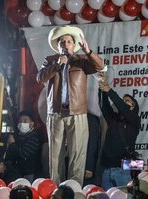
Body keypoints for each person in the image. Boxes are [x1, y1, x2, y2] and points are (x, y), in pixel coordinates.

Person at [37, 25, 105, 186]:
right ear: (58, 45)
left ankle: (73, 190)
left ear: (73, 45)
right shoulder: (51, 60)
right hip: (56, 113)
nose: (65, 44)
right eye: (62, 42)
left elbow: (100, 67)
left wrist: (88, 52)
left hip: (77, 112)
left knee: (77, 153)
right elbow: (40, 78)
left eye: (68, 41)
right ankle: (56, 190)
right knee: (55, 155)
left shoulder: (81, 61)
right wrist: (57, 66)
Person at [98, 73, 140, 190]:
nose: (122, 102)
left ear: (132, 107)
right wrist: (102, 88)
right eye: (123, 100)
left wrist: (109, 90)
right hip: (106, 169)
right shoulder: (114, 119)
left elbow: (122, 108)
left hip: (124, 170)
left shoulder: (135, 120)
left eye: (127, 101)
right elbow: (103, 106)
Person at [4, 110, 41, 183]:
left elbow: (23, 153)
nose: (21, 123)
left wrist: (12, 144)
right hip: (15, 172)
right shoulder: (17, 136)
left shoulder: (34, 138)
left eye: (25, 121)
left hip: (27, 174)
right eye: (20, 121)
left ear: (31, 124)